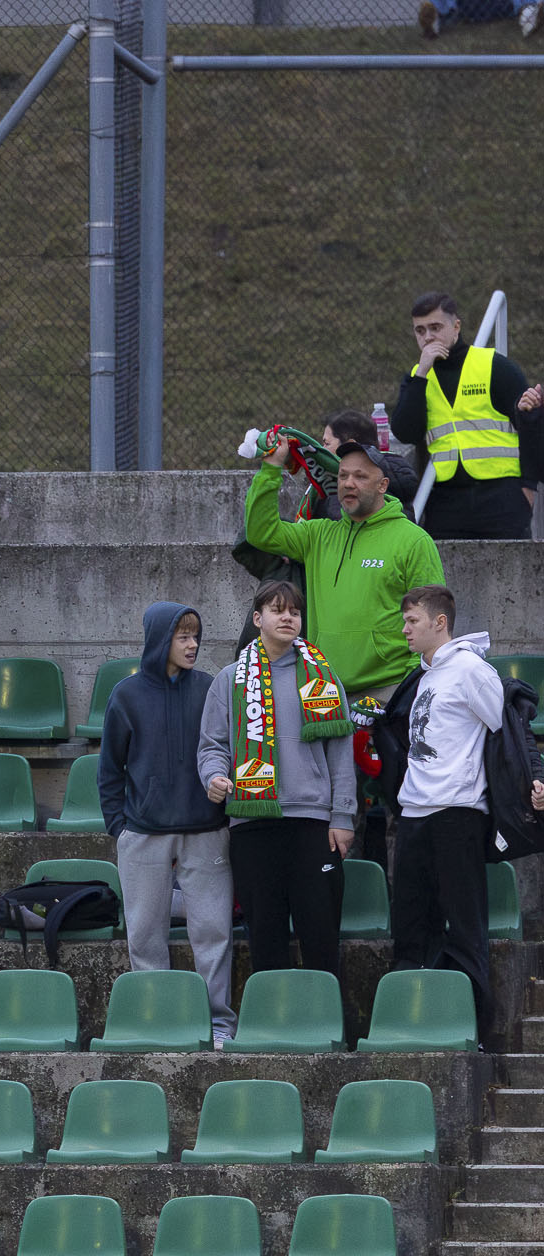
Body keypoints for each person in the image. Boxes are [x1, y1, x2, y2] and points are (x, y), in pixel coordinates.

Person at [390, 585, 540, 1032]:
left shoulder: (471, 669)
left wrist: (536, 777)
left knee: (464, 927)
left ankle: (470, 1029)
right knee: (411, 926)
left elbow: (511, 729)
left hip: (457, 813)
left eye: (412, 621)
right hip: (414, 813)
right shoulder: (424, 675)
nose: (405, 630)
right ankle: (411, 1023)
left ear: (440, 622)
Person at [197, 581, 356, 984]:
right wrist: (213, 776)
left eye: (295, 612)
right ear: (258, 618)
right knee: (265, 942)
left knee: (321, 938)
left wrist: (343, 816)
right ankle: (272, 1019)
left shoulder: (324, 678)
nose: (288, 618)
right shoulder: (229, 680)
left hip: (314, 824)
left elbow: (341, 754)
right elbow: (213, 745)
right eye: (277, 610)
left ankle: (324, 1018)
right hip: (252, 825)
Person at [98, 603, 236, 1045]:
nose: (193, 645)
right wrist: (119, 827)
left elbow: (225, 748)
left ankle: (217, 1024)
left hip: (207, 830)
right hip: (143, 833)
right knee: (144, 935)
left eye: (196, 636)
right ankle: (157, 1020)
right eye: (183, 637)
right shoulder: (126, 695)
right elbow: (109, 768)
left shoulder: (210, 688)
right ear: (161, 640)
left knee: (214, 932)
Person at [241, 437, 445, 701]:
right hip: (323, 686)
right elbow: (260, 533)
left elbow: (432, 619)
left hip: (388, 689)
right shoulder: (317, 534)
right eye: (343, 476)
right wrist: (271, 468)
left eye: (360, 476)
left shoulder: (414, 541)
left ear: (383, 485)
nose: (348, 483)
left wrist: (409, 686)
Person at [390, 289, 539, 540]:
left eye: (435, 327)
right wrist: (422, 373)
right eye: (420, 330)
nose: (428, 337)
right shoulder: (418, 377)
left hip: (502, 495)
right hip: (446, 500)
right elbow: (405, 432)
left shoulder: (493, 365)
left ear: (456, 326)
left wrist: (528, 488)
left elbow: (531, 426)